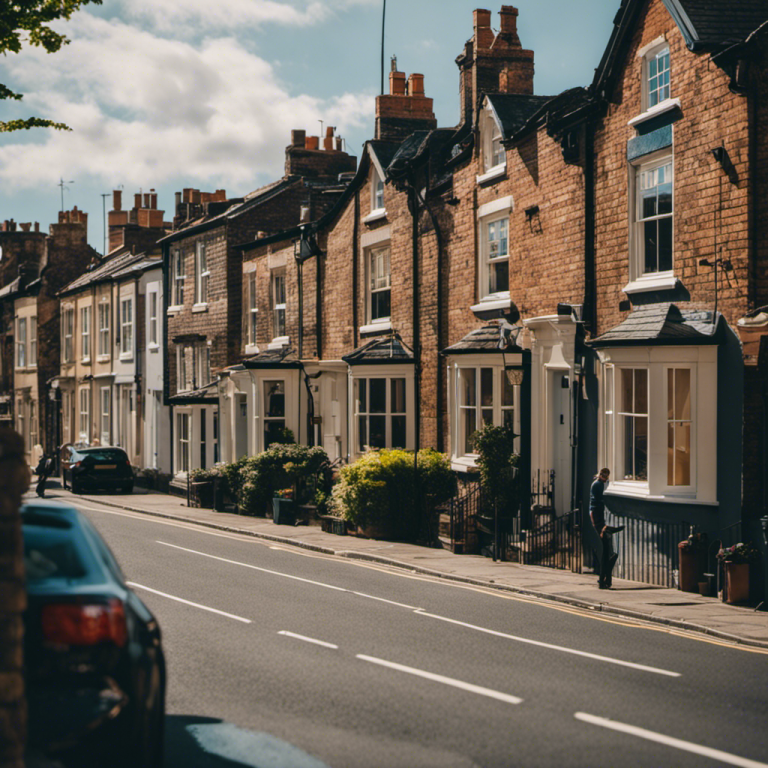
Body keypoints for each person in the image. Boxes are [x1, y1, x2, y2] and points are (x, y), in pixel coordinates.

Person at [589, 467, 623, 589]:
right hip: (596, 514)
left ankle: (604, 579)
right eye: (605, 476)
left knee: (607, 551)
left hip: (597, 514)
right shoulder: (597, 484)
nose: (606, 478)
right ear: (601, 475)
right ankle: (603, 579)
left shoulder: (600, 484)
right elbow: (597, 501)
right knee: (607, 550)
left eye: (607, 476)